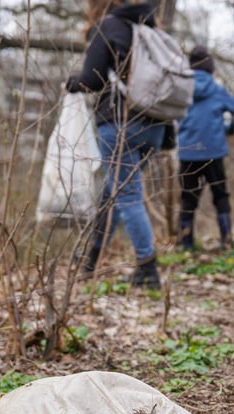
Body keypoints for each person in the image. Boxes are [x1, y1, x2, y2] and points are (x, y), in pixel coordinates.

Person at [64, 0, 168, 289]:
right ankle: (91, 260)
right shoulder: (150, 30)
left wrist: (72, 83)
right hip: (156, 126)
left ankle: (148, 269)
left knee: (127, 196)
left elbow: (92, 79)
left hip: (120, 122)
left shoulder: (108, 26)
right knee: (113, 193)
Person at [177, 45, 234, 251]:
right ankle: (226, 239)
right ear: (210, 67)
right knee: (220, 195)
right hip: (213, 152)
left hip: (188, 152)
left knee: (188, 198)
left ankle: (186, 245)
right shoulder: (217, 90)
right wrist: (229, 129)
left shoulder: (181, 90)